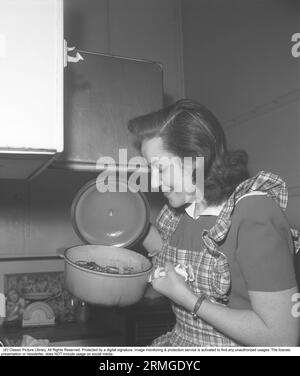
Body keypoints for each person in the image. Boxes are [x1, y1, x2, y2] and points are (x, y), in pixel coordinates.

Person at [128, 99, 300, 346]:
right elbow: (164, 252)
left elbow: (282, 339)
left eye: (160, 169)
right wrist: (128, 219)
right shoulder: (184, 210)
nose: (154, 183)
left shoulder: (254, 215)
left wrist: (189, 300)